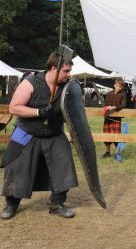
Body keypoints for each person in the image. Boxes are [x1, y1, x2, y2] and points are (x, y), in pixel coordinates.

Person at [0, 52, 78, 220]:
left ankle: (57, 204)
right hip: (27, 132)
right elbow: (14, 108)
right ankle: (12, 204)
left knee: (63, 166)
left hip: (54, 133)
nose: (68, 74)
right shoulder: (31, 82)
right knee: (17, 168)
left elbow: (74, 113)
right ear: (53, 69)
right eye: (65, 71)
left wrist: (71, 131)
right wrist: (38, 111)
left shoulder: (67, 87)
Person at [102, 79, 127, 158]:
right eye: (117, 86)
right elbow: (105, 104)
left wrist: (114, 107)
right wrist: (106, 108)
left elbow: (123, 105)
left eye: (120, 86)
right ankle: (107, 152)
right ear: (114, 85)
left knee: (116, 134)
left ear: (122, 87)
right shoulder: (109, 93)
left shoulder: (123, 94)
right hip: (108, 116)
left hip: (116, 118)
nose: (118, 88)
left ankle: (117, 153)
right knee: (106, 134)